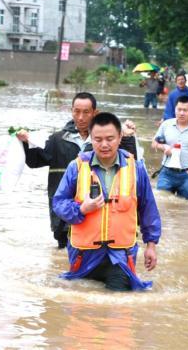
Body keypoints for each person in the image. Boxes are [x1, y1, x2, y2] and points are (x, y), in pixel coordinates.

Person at [52, 112, 161, 291]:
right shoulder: (77, 167)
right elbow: (59, 203)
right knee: (81, 312)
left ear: (119, 138)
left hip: (120, 257)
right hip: (83, 255)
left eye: (110, 138)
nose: (104, 144)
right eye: (98, 139)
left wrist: (151, 245)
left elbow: (148, 208)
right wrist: (82, 209)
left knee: (118, 308)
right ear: (91, 139)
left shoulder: (136, 169)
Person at [16, 92, 138, 249]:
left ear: (95, 113)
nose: (80, 117)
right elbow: (35, 161)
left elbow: (131, 164)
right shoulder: (57, 139)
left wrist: (127, 137)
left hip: (98, 217)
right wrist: (25, 143)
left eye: (86, 112)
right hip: (64, 218)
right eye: (76, 111)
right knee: (64, 257)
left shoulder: (105, 141)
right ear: (71, 111)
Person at [152, 95, 188, 200]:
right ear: (175, 109)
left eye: (185, 110)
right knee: (162, 204)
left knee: (185, 209)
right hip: (166, 173)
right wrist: (164, 147)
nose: (181, 113)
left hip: (187, 174)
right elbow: (154, 143)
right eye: (179, 109)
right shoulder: (166, 124)